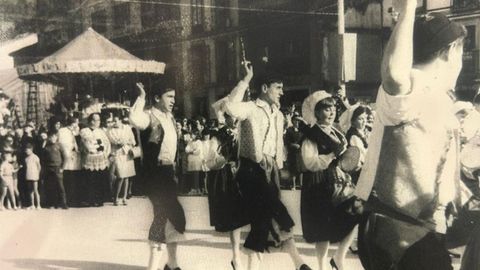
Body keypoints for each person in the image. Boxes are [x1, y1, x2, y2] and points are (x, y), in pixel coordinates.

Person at [355, 2, 466, 269]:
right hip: (399, 232)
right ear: (450, 51)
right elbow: (393, 75)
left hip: (411, 229)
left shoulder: (438, 98)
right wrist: (409, 9)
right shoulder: (415, 85)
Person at [223, 62, 311, 270]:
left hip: (271, 171)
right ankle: (299, 262)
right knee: (271, 214)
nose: (282, 92)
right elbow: (229, 107)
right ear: (264, 88)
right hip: (251, 170)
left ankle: (291, 262)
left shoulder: (278, 115)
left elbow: (277, 146)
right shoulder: (251, 108)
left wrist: (279, 167)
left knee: (262, 221)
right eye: (278, 87)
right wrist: (245, 81)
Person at [298, 91, 360, 270]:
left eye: (333, 108)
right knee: (322, 230)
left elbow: (345, 158)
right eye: (326, 109)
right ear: (316, 112)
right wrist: (332, 155)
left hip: (337, 181)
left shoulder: (336, 132)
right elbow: (310, 162)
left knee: (357, 211)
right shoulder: (311, 135)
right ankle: (322, 266)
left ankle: (339, 256)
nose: (331, 112)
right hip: (318, 182)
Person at [129, 82, 186, 270]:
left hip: (169, 172)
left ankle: (172, 264)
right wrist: (142, 96)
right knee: (162, 214)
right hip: (155, 174)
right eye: (169, 96)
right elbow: (133, 118)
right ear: (157, 98)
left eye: (174, 97)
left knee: (175, 217)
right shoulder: (148, 117)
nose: (173, 100)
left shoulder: (170, 118)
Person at [205, 107, 249, 270]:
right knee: (234, 220)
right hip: (227, 178)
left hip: (246, 176)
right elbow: (210, 161)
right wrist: (225, 159)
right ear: (226, 118)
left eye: (238, 117)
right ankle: (236, 257)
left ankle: (252, 256)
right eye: (232, 117)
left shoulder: (246, 133)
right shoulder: (218, 136)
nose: (236, 120)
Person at [80, 113, 111, 207]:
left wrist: (105, 153)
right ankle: (90, 200)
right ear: (91, 121)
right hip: (89, 158)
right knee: (90, 179)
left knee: (99, 179)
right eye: (97, 120)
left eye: (99, 120)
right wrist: (92, 149)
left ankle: (99, 199)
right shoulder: (84, 131)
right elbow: (85, 144)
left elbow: (106, 143)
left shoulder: (101, 132)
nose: (99, 122)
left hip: (100, 158)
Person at [107, 112, 136, 206]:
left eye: (115, 121)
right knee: (121, 176)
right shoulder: (110, 130)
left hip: (127, 154)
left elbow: (133, 141)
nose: (114, 123)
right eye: (112, 121)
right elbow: (111, 140)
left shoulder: (127, 128)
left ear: (120, 120)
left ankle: (124, 197)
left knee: (127, 176)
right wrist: (118, 142)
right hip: (117, 154)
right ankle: (115, 198)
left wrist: (127, 143)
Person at [58, 116, 82, 207]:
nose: (77, 125)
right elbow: (61, 143)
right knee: (68, 179)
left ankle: (75, 200)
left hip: (75, 158)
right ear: (72, 123)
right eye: (76, 123)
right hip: (67, 157)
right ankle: (67, 200)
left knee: (75, 179)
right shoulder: (63, 131)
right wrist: (70, 147)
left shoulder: (76, 131)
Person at [43, 131, 67, 209]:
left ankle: (63, 203)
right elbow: (43, 157)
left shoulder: (59, 145)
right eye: (51, 137)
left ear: (56, 137)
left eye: (54, 137)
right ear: (49, 138)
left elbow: (65, 158)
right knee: (50, 186)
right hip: (49, 168)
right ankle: (52, 204)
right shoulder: (46, 146)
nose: (52, 138)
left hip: (58, 168)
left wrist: (62, 168)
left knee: (60, 186)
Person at [25, 143, 41, 210]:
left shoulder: (35, 157)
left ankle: (38, 205)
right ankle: (32, 205)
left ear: (31, 150)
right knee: (30, 191)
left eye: (27, 150)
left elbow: (39, 167)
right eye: (25, 150)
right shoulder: (26, 159)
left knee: (35, 190)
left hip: (34, 176)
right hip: (28, 175)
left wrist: (37, 174)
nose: (26, 151)